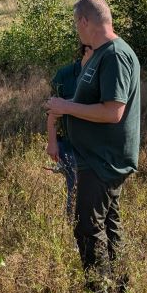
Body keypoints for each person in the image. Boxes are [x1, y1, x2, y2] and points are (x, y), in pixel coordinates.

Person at [45, 0, 140, 293]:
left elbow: (113, 111)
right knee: (108, 223)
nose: (77, 30)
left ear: (85, 21)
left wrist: (67, 107)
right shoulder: (100, 54)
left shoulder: (114, 55)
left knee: (87, 226)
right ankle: (119, 287)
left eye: (77, 24)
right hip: (93, 157)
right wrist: (65, 106)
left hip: (103, 159)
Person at [46, 44, 93, 219]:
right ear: (86, 50)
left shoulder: (103, 74)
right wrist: (52, 142)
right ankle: (73, 227)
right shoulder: (64, 75)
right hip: (68, 141)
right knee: (74, 186)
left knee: (93, 190)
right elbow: (51, 111)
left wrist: (69, 106)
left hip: (95, 143)